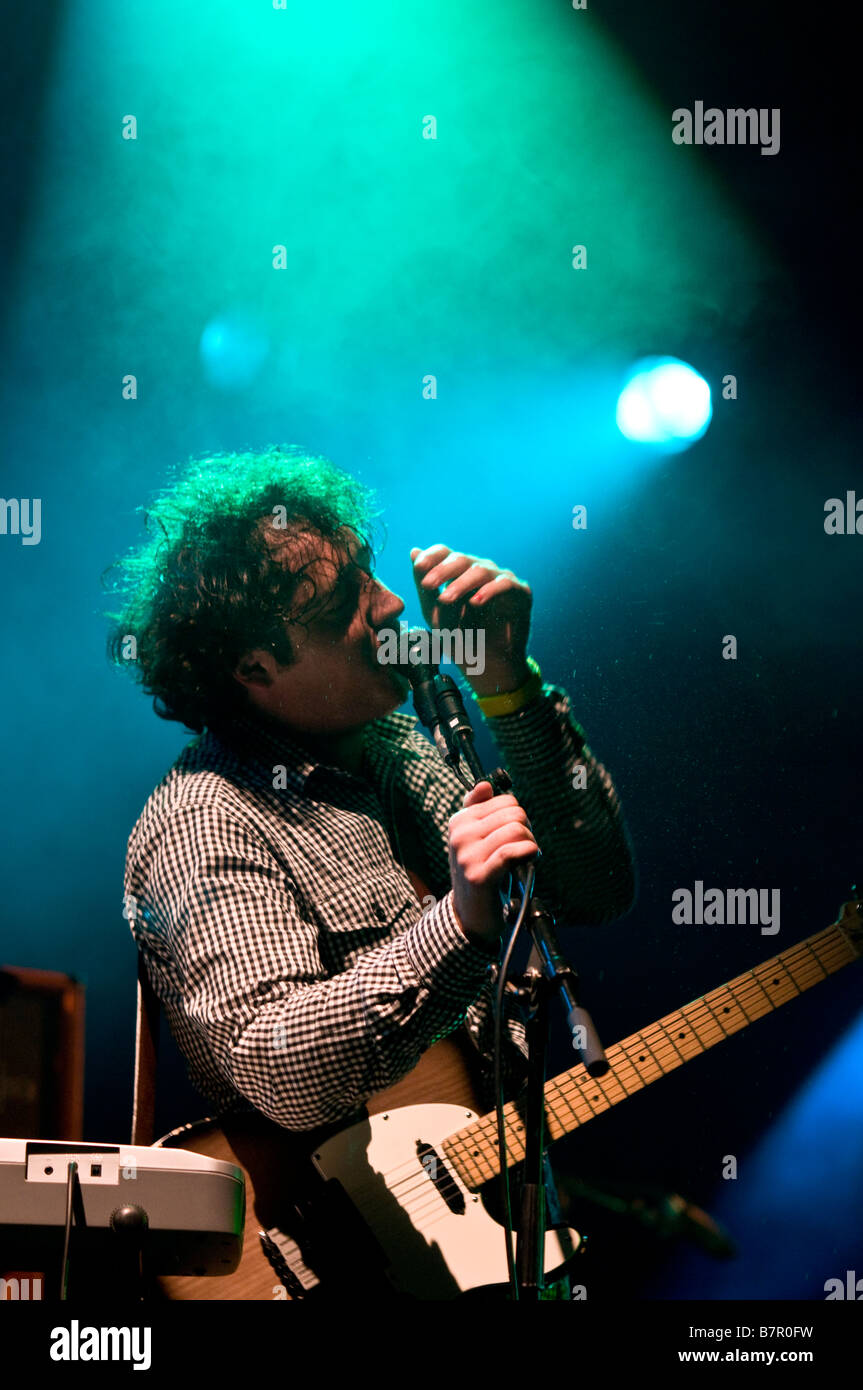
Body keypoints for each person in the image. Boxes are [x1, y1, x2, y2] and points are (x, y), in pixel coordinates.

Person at [108, 444, 637, 1295]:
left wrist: (509, 691)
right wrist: (460, 923)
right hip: (345, 1268)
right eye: (341, 603)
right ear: (255, 668)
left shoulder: (395, 738)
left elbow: (596, 887)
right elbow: (280, 1071)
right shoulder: (204, 819)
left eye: (368, 570)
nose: (391, 604)